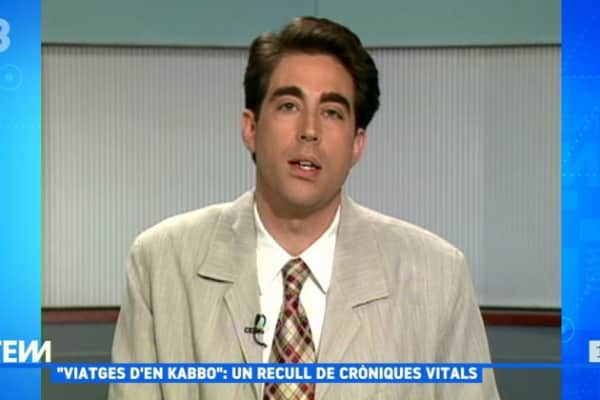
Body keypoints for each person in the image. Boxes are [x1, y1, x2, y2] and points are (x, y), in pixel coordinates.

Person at [109, 16, 500, 400]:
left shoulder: (437, 276)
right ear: (251, 128)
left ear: (357, 144)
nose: (310, 130)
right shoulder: (161, 263)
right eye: (289, 106)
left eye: (332, 112)